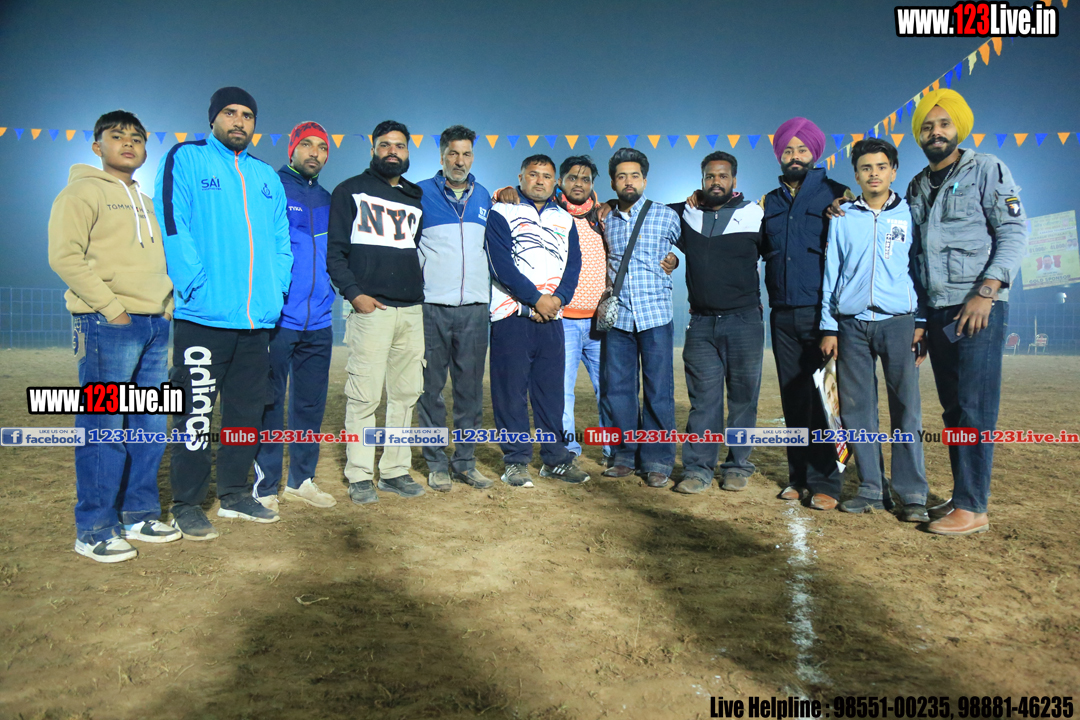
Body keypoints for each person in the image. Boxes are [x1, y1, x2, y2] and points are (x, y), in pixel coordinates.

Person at [156, 87, 292, 539]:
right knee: (195, 414)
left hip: (256, 322)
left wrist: (276, 290)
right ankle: (187, 503)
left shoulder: (265, 176)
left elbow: (281, 240)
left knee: (244, 415)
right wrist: (193, 283)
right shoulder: (187, 158)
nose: (239, 121)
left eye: (247, 115)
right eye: (230, 113)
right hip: (203, 317)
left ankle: (234, 493)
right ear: (213, 118)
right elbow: (172, 221)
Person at [48, 110, 180, 562]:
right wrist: (112, 309)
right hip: (108, 324)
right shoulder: (80, 192)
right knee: (103, 427)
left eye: (137, 138)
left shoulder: (146, 201)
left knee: (149, 426)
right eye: (117, 135)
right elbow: (64, 257)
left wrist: (165, 306)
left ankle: (139, 513)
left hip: (154, 324)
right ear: (96, 146)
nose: (128, 143)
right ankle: (94, 528)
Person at [494, 159, 677, 466]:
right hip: (561, 320)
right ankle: (568, 451)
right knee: (561, 393)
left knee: (611, 391)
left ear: (593, 184)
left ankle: (614, 452)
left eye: (586, 179)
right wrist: (504, 191)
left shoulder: (602, 217)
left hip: (601, 324)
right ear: (559, 182)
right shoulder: (550, 212)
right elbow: (515, 199)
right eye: (572, 178)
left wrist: (672, 258)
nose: (578, 184)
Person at [908, 90, 1027, 535]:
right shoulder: (917, 185)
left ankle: (974, 508)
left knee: (976, 408)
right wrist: (921, 319)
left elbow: (1013, 231)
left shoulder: (987, 169)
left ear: (958, 127)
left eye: (943, 124)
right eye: (927, 126)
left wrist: (987, 291)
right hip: (939, 311)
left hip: (977, 307)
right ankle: (962, 497)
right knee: (954, 410)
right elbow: (916, 257)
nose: (935, 132)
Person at [818, 138, 929, 522]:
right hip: (851, 325)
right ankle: (871, 488)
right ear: (856, 175)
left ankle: (912, 494)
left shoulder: (910, 214)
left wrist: (921, 321)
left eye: (881, 166)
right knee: (857, 409)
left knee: (906, 410)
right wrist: (829, 325)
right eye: (866, 168)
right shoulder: (842, 216)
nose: (874, 174)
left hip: (899, 323)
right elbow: (832, 271)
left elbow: (920, 269)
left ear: (893, 171)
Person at [326, 120, 427, 505]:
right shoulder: (349, 190)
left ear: (407, 151)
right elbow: (335, 253)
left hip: (411, 311)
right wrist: (355, 294)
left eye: (399, 146)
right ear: (372, 149)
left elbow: (411, 249)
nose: (392, 151)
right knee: (364, 396)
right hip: (372, 310)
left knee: (405, 395)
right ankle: (359, 474)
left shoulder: (414, 197)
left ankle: (395, 470)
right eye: (385, 144)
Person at [760, 117, 851, 510]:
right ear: (779, 155)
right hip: (782, 314)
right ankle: (798, 477)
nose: (794, 156)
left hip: (823, 314)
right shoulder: (769, 202)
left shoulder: (838, 195)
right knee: (793, 399)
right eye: (787, 150)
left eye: (801, 150)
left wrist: (835, 322)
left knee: (827, 399)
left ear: (815, 153)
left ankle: (828, 481)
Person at [485, 154, 589, 487]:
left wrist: (558, 300)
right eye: (533, 174)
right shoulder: (502, 211)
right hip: (512, 316)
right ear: (521, 177)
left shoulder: (565, 219)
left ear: (555, 182)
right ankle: (515, 461)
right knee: (511, 393)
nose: (540, 180)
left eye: (546, 176)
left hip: (552, 319)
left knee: (551, 394)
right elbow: (499, 264)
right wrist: (536, 299)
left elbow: (573, 266)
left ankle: (555, 459)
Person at [251, 122, 337, 512]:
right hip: (278, 319)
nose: (314, 153)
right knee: (269, 403)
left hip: (319, 320)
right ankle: (265, 486)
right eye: (307, 145)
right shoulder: (271, 188)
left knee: (309, 406)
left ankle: (301, 480)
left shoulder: (330, 200)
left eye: (322, 147)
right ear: (291, 150)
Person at [669, 151, 765, 494]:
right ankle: (698, 469)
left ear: (734, 180)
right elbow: (642, 212)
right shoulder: (685, 213)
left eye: (723, 176)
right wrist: (606, 204)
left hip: (744, 321)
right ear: (702, 180)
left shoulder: (756, 214)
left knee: (743, 399)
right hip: (701, 324)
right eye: (710, 176)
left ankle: (738, 466)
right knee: (704, 401)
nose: (716, 182)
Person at [416, 125, 494, 493]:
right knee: (429, 391)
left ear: (473, 157)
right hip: (432, 307)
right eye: (453, 153)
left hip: (475, 309)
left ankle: (465, 462)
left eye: (466, 154)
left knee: (470, 392)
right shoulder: (419, 194)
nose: (459, 161)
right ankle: (436, 464)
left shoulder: (486, 197)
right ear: (442, 155)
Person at [600, 148, 682, 488]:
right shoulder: (604, 218)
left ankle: (658, 460)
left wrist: (675, 259)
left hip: (655, 315)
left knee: (659, 390)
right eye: (621, 176)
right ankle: (624, 455)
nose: (628, 181)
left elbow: (689, 246)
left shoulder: (666, 216)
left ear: (645, 181)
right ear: (613, 183)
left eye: (634, 175)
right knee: (619, 390)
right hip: (619, 317)